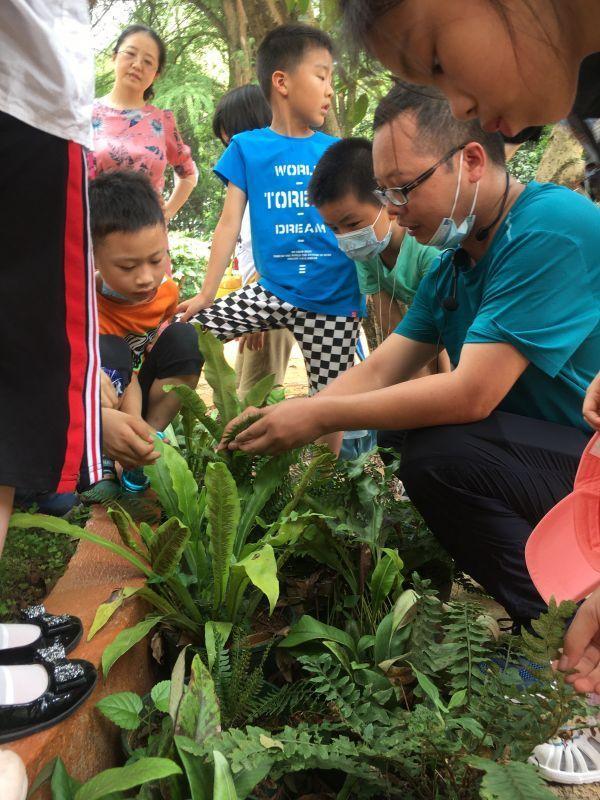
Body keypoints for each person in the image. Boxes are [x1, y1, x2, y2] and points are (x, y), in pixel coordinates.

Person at [221, 85, 600, 632]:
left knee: (439, 454)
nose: (393, 211)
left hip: (587, 459)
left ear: (470, 160)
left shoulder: (549, 226)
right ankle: (548, 610)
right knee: (399, 434)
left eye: (402, 190)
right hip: (546, 456)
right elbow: (379, 369)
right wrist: (293, 416)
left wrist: (319, 415)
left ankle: (563, 631)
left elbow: (471, 393)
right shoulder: (453, 268)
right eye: (385, 193)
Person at [178, 24, 364, 450]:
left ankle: (323, 490)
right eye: (321, 76)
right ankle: (161, 441)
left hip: (332, 298)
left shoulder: (334, 151)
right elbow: (228, 224)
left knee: (328, 404)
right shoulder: (247, 147)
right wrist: (207, 293)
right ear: (281, 81)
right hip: (270, 290)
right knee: (183, 337)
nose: (330, 90)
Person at [85, 171, 202, 498]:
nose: (146, 278)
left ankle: (144, 446)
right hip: (95, 398)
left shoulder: (166, 294)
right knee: (110, 351)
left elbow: (140, 366)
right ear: (93, 256)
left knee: (184, 339)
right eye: (127, 267)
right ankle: (100, 463)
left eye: (156, 259)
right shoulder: (82, 302)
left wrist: (137, 423)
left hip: (135, 384)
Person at [308, 136, 445, 372]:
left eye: (352, 224)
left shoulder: (430, 253)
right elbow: (392, 325)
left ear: (388, 204)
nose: (345, 237)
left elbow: (442, 337)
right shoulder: (367, 251)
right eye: (334, 229)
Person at [212, 84, 296, 398]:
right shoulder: (251, 180)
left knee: (255, 396)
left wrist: (261, 310)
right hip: (257, 296)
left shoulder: (278, 177)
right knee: (244, 389)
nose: (229, 151)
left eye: (232, 140)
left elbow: (285, 245)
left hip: (271, 295)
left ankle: (257, 448)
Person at [89, 24, 197, 225]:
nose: (137, 65)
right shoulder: (84, 114)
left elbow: (188, 175)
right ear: (114, 57)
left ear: (156, 74)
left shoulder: (162, 122)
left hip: (148, 244)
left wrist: (167, 213)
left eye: (148, 62)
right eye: (130, 54)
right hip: (95, 237)